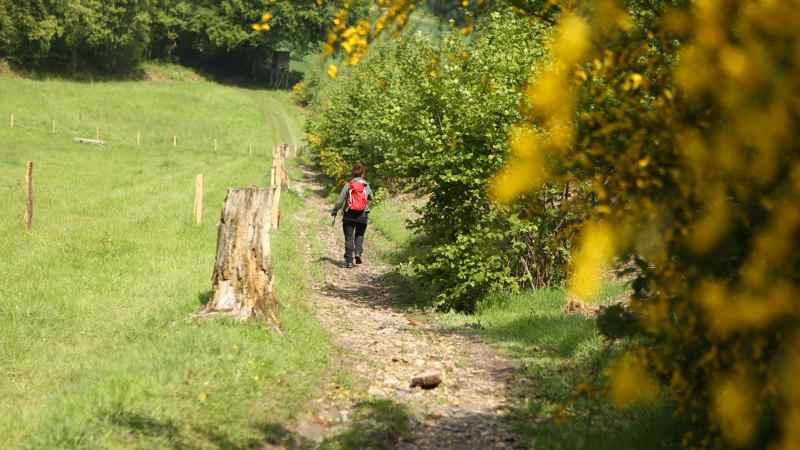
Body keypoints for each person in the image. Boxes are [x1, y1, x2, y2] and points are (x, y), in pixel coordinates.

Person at [331, 164, 373, 268]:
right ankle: (358, 253)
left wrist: (335, 211)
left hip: (349, 214)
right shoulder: (366, 185)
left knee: (349, 237)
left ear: (353, 173)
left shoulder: (348, 185)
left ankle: (349, 261)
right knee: (359, 235)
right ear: (363, 174)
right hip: (362, 215)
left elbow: (340, 201)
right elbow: (371, 197)